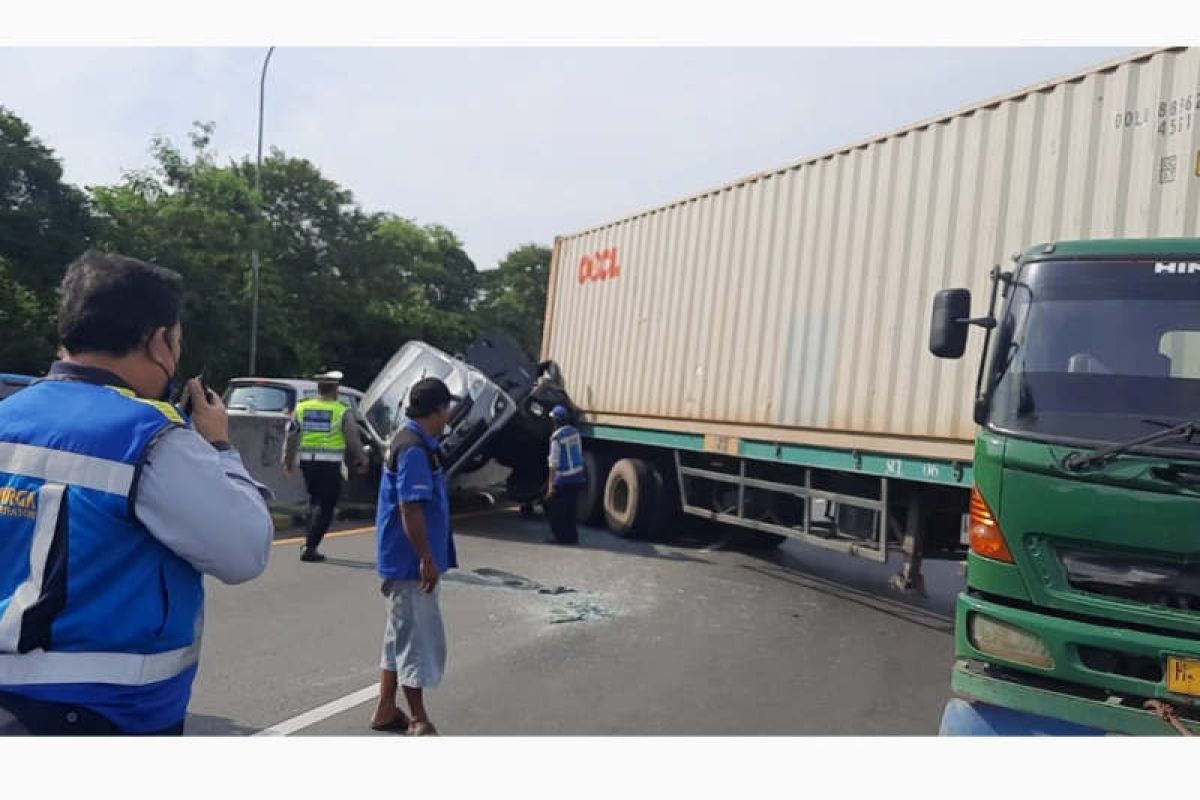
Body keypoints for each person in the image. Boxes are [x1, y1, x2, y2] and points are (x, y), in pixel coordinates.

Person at [0, 250, 273, 736]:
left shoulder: (7, 417)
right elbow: (244, 551)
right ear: (159, 343)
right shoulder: (149, 438)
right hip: (106, 713)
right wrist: (221, 448)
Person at [370, 378, 460, 736]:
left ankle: (385, 710)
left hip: (407, 560)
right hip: (409, 563)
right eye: (447, 408)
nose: (449, 415)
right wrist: (425, 557)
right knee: (415, 639)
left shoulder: (417, 442)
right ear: (437, 409)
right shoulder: (414, 448)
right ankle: (419, 718)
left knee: (398, 636)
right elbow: (410, 507)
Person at [284, 370, 368, 562]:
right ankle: (310, 546)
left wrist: (288, 461)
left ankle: (309, 541)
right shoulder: (341, 410)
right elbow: (353, 439)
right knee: (326, 505)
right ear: (335, 389)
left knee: (315, 501)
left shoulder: (302, 408)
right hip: (330, 465)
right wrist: (362, 459)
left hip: (307, 463)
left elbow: (291, 436)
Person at [543, 405, 586, 545]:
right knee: (570, 510)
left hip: (564, 479)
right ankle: (572, 537)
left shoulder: (556, 437)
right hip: (578, 477)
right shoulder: (575, 432)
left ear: (555, 421)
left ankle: (560, 537)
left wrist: (551, 485)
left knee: (554, 509)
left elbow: (553, 463)